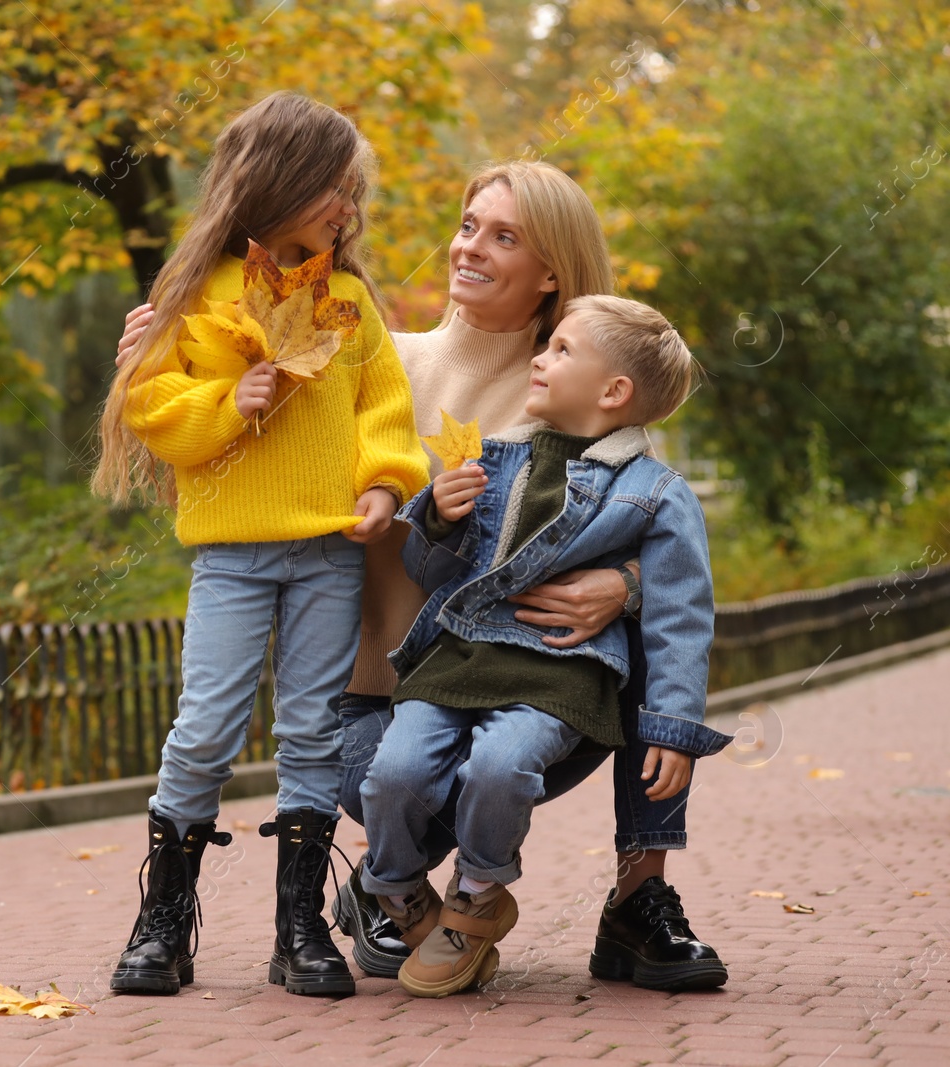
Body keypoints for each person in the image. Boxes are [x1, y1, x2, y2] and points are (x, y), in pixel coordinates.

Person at [118, 161, 729, 992]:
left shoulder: (577, 382)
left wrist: (630, 585)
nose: (469, 246)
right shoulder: (366, 350)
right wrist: (159, 372)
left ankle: (639, 897)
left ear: (552, 270)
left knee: (655, 649)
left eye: (503, 235)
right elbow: (241, 450)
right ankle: (385, 884)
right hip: (383, 694)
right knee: (397, 770)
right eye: (469, 224)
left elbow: (655, 523)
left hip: (526, 686)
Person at [92, 91, 427, 998]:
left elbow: (381, 412)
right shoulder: (195, 296)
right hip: (232, 555)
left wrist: (381, 483)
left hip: (326, 550)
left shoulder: (347, 299)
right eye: (334, 189)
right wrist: (221, 404)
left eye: (352, 196)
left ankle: (299, 928)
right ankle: (163, 920)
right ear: (277, 181)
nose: (346, 210)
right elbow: (152, 406)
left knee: (312, 731)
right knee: (202, 730)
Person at [360, 295, 731, 997]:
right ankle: (398, 888)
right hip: (460, 657)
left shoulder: (655, 493)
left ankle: (474, 891)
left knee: (502, 768)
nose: (540, 357)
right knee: (393, 773)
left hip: (560, 673)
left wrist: (674, 730)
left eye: (562, 350)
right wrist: (438, 517)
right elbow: (435, 576)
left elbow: (683, 615)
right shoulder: (497, 461)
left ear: (613, 391)